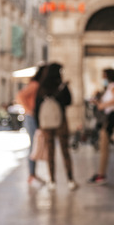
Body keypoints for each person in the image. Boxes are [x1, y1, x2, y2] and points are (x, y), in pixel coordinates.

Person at [35, 62, 77, 191]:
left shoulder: (41, 87)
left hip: (46, 123)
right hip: (61, 121)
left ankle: (52, 180)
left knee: (50, 151)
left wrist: (39, 125)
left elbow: (36, 107)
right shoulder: (61, 86)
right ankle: (70, 179)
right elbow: (69, 101)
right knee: (65, 151)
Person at [88, 68, 114, 185]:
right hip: (111, 117)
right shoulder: (112, 86)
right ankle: (101, 172)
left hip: (113, 118)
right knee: (104, 146)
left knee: (104, 145)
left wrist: (103, 105)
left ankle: (101, 174)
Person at [15, 64, 47, 187]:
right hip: (31, 117)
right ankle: (31, 175)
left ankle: (33, 174)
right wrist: (29, 110)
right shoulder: (35, 85)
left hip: (33, 117)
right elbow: (20, 96)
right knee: (33, 146)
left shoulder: (38, 85)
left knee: (35, 145)